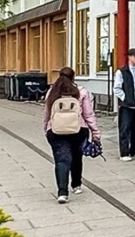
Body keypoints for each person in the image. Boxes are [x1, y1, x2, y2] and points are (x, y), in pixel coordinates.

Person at [43, 66, 100, 204]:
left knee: (61, 160)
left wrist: (46, 127)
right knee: (76, 157)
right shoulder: (81, 92)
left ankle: (62, 192)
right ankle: (76, 185)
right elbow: (88, 114)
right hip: (78, 130)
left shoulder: (52, 92)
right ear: (73, 77)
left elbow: (47, 113)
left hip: (56, 131)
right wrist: (95, 132)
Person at [113, 47, 135, 161]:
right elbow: (117, 88)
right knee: (125, 128)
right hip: (127, 105)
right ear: (129, 57)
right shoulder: (121, 72)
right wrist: (125, 99)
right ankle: (124, 153)